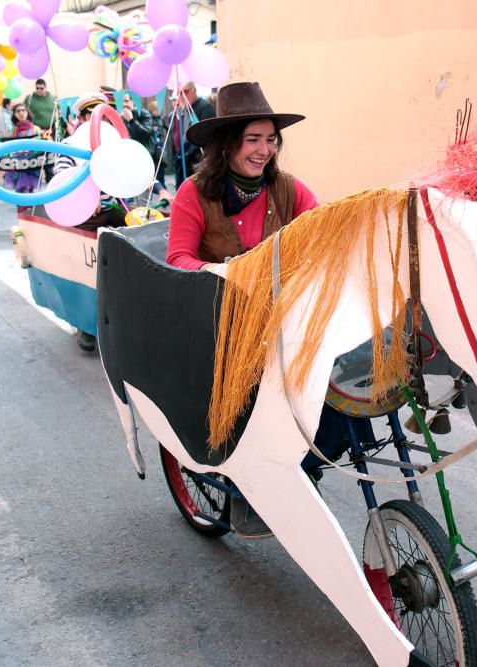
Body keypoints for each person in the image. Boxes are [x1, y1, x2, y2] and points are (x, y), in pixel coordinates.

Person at [165, 82, 314, 536]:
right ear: (227, 144)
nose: (264, 150)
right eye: (253, 139)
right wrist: (229, 271)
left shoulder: (288, 189)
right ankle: (248, 486)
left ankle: (305, 461)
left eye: (270, 139)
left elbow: (321, 231)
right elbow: (177, 260)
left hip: (281, 316)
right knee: (251, 392)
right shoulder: (194, 194)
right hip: (222, 321)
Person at [54, 93, 126, 352]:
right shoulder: (69, 146)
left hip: (115, 215)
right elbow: (61, 179)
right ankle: (85, 325)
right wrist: (85, 194)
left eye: (102, 116)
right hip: (81, 221)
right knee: (84, 272)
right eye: (90, 115)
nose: (96, 122)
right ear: (82, 119)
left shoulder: (117, 146)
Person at [169, 81, 215, 189]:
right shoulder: (186, 108)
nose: (181, 96)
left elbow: (206, 136)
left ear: (194, 91)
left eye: (184, 92)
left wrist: (187, 154)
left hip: (197, 161)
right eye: (179, 93)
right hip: (183, 159)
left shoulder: (205, 107)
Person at [3, 104, 41, 194]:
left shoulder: (35, 129)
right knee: (19, 190)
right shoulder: (12, 131)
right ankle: (21, 207)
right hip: (18, 164)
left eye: (23, 110)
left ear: (27, 112)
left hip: (32, 162)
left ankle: (30, 207)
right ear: (14, 114)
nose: (21, 113)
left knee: (30, 190)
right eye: (18, 111)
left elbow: (40, 146)